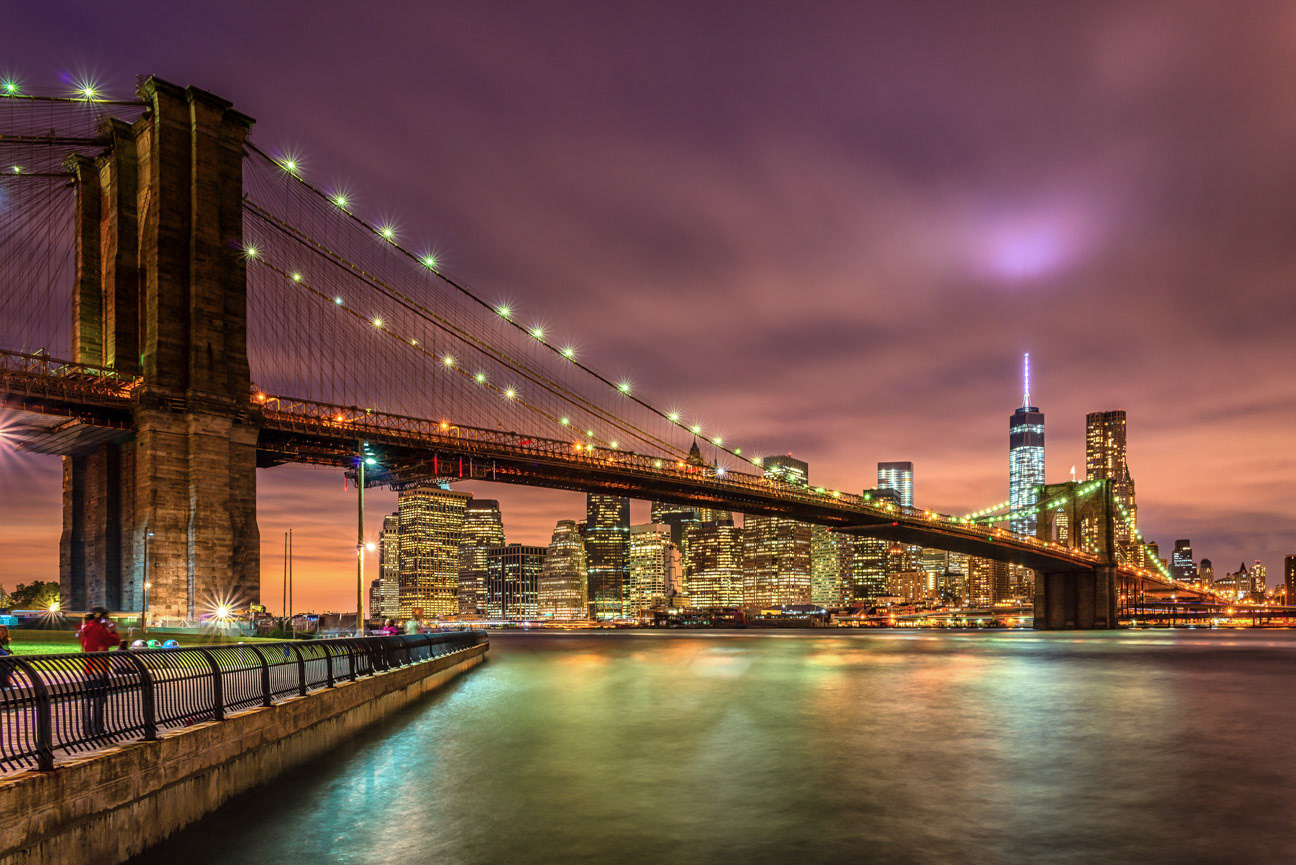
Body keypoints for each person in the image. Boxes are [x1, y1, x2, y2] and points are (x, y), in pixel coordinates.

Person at [77, 608, 119, 737]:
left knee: (87, 699)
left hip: (88, 668)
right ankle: (97, 728)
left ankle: (86, 727)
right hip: (100, 668)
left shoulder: (85, 629)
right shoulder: (99, 629)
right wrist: (112, 629)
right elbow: (115, 640)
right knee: (99, 700)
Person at [0, 625, 12, 690]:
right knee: (6, 660)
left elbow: (5, 649)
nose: (2, 632)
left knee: (12, 661)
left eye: (4, 630)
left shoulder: (5, 641)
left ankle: (7, 680)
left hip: (2, 656)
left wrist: (8, 651)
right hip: (2, 656)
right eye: (0, 630)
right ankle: (3, 681)